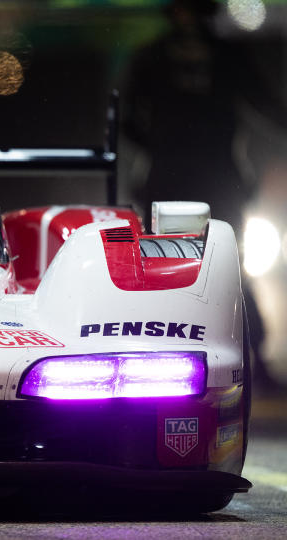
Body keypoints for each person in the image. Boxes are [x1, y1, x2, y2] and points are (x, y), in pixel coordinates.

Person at [122, 0, 283, 388]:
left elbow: (265, 105)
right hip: (178, 179)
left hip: (209, 177)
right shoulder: (154, 57)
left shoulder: (222, 56)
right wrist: (160, 148)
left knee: (230, 267)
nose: (188, 18)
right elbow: (127, 119)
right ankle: (163, 352)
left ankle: (251, 357)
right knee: (166, 267)